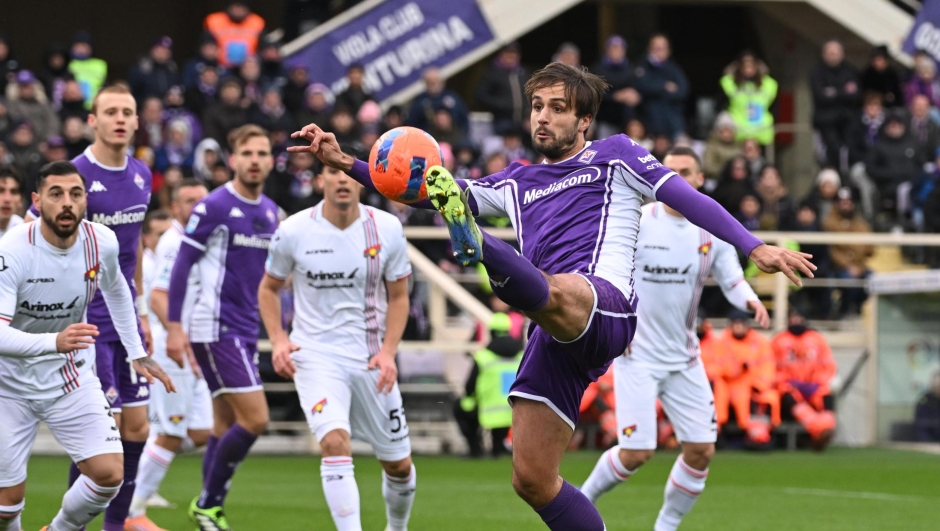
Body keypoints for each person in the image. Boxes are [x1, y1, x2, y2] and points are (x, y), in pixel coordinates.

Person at [290, 61, 814, 530]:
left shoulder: (616, 156)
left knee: (557, 291)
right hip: (552, 329)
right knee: (533, 479)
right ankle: (480, 243)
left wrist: (753, 245)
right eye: (537, 106)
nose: (543, 117)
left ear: (583, 121)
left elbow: (686, 195)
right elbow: (418, 187)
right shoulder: (517, 181)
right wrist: (345, 161)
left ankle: (481, 247)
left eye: (558, 108)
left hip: (603, 304)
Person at [580, 147, 770, 530]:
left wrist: (751, 301)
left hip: (684, 359)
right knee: (636, 453)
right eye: (671, 170)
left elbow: (732, 279)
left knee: (701, 451)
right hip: (637, 356)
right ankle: (580, 503)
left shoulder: (711, 231)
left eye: (687, 171)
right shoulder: (637, 221)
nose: (678, 177)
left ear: (700, 180)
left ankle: (665, 527)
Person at [0, 161, 172, 531]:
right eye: (56, 194)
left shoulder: (101, 241)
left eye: (76, 194)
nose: (67, 203)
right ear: (37, 201)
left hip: (70, 377)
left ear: (86, 201)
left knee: (110, 473)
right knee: (6, 505)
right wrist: (54, 341)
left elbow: (118, 290)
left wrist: (137, 350)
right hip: (8, 385)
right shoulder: (12, 250)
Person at [258, 152, 417, 531]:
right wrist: (279, 340)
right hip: (315, 355)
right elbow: (269, 288)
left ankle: (397, 528)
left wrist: (389, 352)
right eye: (333, 172)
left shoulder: (387, 228)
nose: (342, 180)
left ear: (362, 180)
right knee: (333, 442)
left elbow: (399, 297)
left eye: (348, 172)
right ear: (320, 181)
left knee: (398, 465)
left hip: (369, 358)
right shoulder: (294, 230)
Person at [25, 84, 156, 531]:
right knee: (104, 439)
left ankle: (115, 525)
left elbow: (130, 257)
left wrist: (138, 315)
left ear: (138, 122)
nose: (120, 119)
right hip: (86, 326)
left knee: (138, 429)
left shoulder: (142, 174)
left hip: (124, 321)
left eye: (128, 111)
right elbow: (31, 235)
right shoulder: (73, 175)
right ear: (92, 121)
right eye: (111, 111)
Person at [165, 125, 278, 531]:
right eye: (246, 152)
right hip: (214, 327)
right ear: (232, 159)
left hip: (245, 329)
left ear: (270, 160)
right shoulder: (213, 206)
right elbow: (182, 266)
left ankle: (209, 512)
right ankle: (208, 503)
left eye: (261, 153)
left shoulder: (269, 210)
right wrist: (175, 327)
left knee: (224, 424)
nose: (254, 160)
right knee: (256, 420)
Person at [128, 182, 213, 531]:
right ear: (175, 206)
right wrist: (178, 335)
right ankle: (132, 511)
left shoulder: (200, 237)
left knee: (204, 431)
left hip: (196, 346)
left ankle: (145, 459)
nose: (196, 206)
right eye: (189, 201)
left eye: (201, 200)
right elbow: (159, 296)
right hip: (173, 347)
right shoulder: (173, 241)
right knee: (170, 432)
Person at [454, 313, 524, 458]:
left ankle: (475, 449)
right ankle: (498, 448)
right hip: (513, 409)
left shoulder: (483, 357)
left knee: (460, 406)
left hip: (487, 410)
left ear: (491, 332)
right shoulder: (521, 355)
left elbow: (469, 387)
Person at [772, 308, 838, 450]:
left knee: (826, 394)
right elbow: (771, 367)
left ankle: (827, 428)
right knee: (790, 397)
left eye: (799, 317)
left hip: (813, 384)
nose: (796, 321)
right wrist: (785, 381)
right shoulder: (779, 340)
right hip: (789, 385)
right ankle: (819, 430)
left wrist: (817, 381)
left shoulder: (817, 339)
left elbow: (828, 365)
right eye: (793, 317)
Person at [717, 310, 780, 445]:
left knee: (771, 398)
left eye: (741, 324)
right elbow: (721, 368)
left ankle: (763, 432)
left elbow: (768, 365)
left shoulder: (760, 342)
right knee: (741, 398)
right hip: (733, 385)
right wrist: (739, 368)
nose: (738, 327)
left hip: (756, 385)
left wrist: (760, 384)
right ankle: (750, 433)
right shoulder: (723, 343)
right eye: (736, 324)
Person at [822, 188, 874, 315]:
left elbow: (869, 248)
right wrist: (848, 264)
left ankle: (861, 311)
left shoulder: (861, 223)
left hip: (860, 266)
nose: (845, 205)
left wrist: (858, 266)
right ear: (836, 204)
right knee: (848, 281)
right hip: (838, 268)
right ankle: (846, 310)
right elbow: (832, 250)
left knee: (874, 280)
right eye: (842, 202)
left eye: (848, 202)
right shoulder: (828, 223)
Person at [811, 39, 860, 169]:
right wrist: (844, 91)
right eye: (830, 53)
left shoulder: (850, 71)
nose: (833, 56)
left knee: (851, 152)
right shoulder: (817, 73)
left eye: (835, 53)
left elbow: (856, 95)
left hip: (847, 121)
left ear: (842, 55)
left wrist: (833, 92)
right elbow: (821, 96)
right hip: (826, 123)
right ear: (823, 54)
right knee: (832, 153)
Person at [634, 34, 689, 141]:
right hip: (649, 128)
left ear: (668, 51)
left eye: (662, 48)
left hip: (673, 125)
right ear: (649, 49)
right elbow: (641, 86)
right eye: (656, 48)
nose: (659, 51)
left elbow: (683, 91)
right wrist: (664, 86)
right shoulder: (641, 67)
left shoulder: (674, 69)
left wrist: (655, 91)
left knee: (683, 146)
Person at [720, 51, 778, 145]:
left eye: (751, 65)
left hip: (762, 135)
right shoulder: (732, 84)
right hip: (739, 136)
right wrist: (732, 69)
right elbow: (725, 81)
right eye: (744, 65)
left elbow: (773, 104)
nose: (748, 69)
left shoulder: (767, 84)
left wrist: (764, 72)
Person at [593, 35, 640, 139]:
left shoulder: (631, 69)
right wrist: (616, 96)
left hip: (626, 121)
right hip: (606, 119)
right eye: (614, 47)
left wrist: (636, 96)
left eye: (620, 48)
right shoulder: (598, 69)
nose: (617, 51)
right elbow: (595, 94)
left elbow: (639, 89)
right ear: (607, 50)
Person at [475, 42, 529, 129]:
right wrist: (499, 105)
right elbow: (480, 95)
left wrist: (527, 112)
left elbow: (528, 94)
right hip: (502, 120)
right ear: (501, 55)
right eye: (508, 54)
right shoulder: (493, 73)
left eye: (514, 55)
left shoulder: (522, 73)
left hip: (521, 121)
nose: (511, 58)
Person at [407, 67, 470, 134]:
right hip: (429, 137)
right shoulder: (420, 101)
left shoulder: (452, 98)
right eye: (430, 82)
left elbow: (463, 118)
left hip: (453, 137)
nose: (434, 85)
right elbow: (413, 124)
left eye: (436, 81)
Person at [204, 1, 265, 68]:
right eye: (236, 6)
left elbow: (263, 47)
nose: (238, 10)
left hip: (248, 68)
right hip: (220, 66)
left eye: (241, 6)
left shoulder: (257, 22)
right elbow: (205, 44)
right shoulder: (214, 21)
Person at [7, 70, 60, 142]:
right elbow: (17, 123)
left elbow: (53, 122)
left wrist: (47, 139)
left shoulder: (42, 102)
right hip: (24, 141)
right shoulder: (12, 104)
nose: (26, 90)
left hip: (44, 141)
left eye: (28, 86)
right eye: (22, 86)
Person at [128, 37, 179, 105]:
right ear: (152, 50)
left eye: (166, 51)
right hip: (144, 109)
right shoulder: (141, 68)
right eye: (160, 49)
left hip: (167, 109)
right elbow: (132, 92)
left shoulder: (172, 69)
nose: (163, 53)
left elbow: (178, 87)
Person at [67, 31, 108, 109]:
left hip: (96, 106)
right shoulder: (68, 64)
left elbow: (105, 85)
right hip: (73, 107)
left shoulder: (100, 64)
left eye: (84, 46)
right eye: (78, 46)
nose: (81, 49)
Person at [702, 112, 742, 182]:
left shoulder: (738, 146)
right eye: (724, 130)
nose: (727, 134)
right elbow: (708, 167)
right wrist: (726, 170)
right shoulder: (712, 146)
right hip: (716, 180)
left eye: (729, 130)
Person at [0, 167, 24, 238]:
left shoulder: (22, 231)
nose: (7, 199)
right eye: (1, 191)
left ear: (21, 200)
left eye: (14, 192)